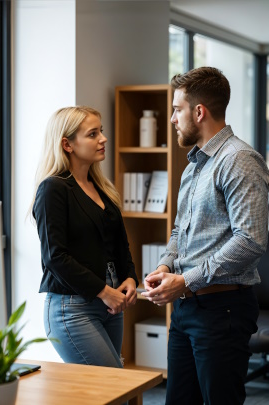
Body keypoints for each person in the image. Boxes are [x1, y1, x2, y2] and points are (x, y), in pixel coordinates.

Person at [141, 67, 269, 404]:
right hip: (186, 310)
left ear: (199, 112)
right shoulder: (195, 165)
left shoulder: (239, 160)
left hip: (222, 310)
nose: (172, 119)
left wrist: (186, 280)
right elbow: (180, 231)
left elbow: (251, 240)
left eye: (176, 109)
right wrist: (167, 267)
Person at [32, 106, 138, 368]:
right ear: (67, 144)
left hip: (111, 303)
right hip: (73, 308)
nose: (103, 139)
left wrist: (130, 278)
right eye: (93, 134)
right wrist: (104, 292)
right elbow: (55, 257)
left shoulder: (101, 188)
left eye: (100, 132)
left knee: (113, 391)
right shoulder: (53, 189)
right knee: (115, 386)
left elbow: (120, 246)